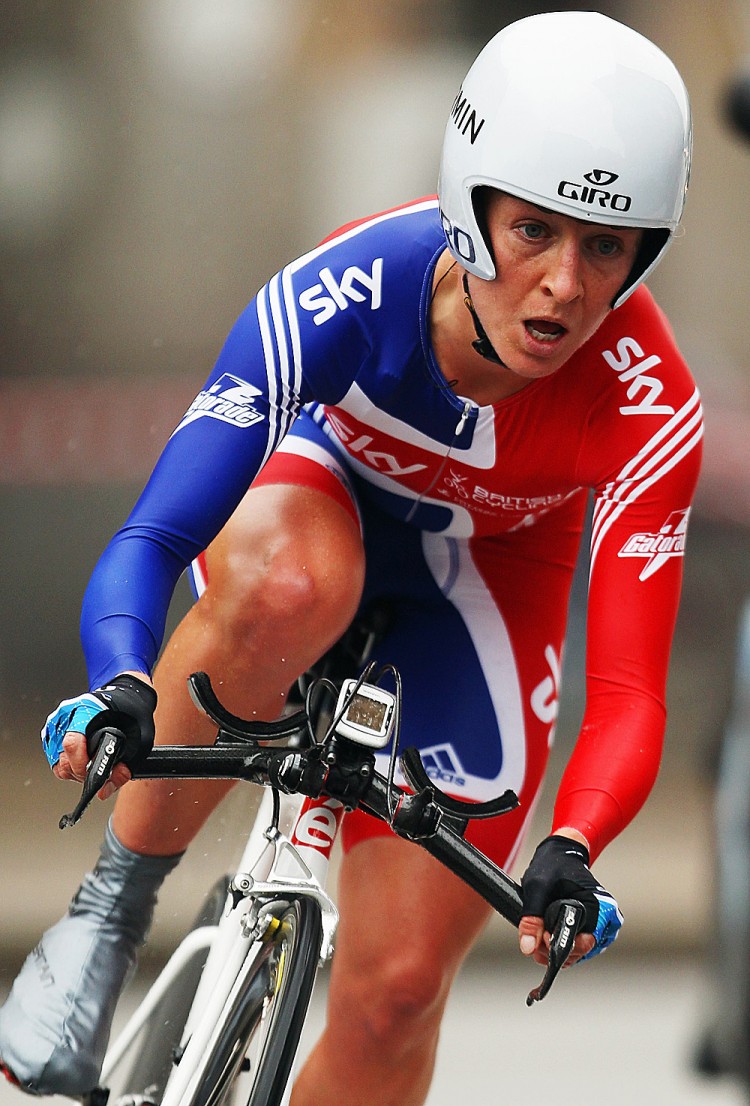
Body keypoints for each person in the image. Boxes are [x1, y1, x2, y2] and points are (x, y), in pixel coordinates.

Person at [0, 11, 700, 1105]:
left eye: (605, 246)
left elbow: (624, 687)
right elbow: (155, 536)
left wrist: (574, 840)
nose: (565, 284)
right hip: (321, 508)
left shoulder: (649, 398)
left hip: (488, 584)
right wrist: (123, 684)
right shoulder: (349, 289)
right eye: (534, 233)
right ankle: (109, 910)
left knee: (398, 993)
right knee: (292, 586)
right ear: (471, 208)